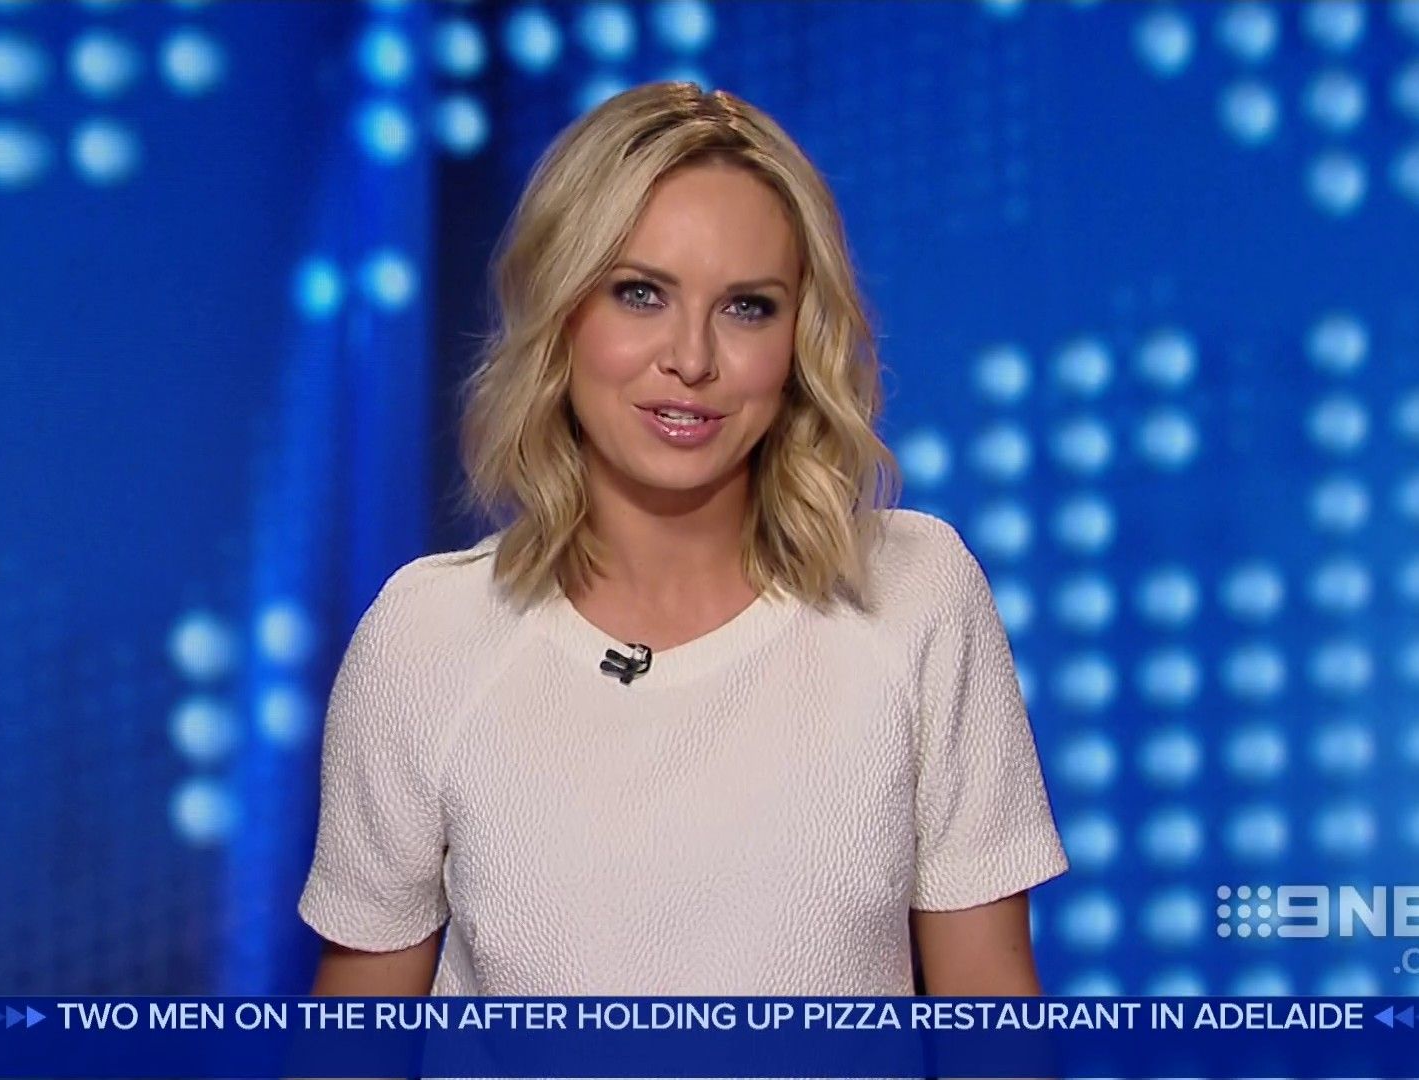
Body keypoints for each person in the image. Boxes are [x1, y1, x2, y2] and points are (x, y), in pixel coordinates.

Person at [298, 81, 1067, 1000]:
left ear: (800, 337)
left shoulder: (914, 593)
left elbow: (991, 1007)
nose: (692, 360)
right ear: (562, 313)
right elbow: (356, 1038)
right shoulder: (428, 635)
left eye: (748, 307)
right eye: (640, 294)